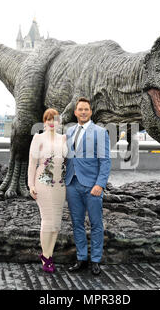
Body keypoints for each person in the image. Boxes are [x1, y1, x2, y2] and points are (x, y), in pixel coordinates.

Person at [65, 97, 111, 276]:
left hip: (92, 186)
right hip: (72, 184)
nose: (83, 112)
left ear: (90, 112)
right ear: (75, 112)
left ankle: (96, 260)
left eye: (86, 109)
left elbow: (105, 161)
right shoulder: (69, 132)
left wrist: (100, 184)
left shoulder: (100, 132)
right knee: (77, 223)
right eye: (80, 109)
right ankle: (81, 258)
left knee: (96, 223)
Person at [27, 108, 67, 273]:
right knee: (47, 221)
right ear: (44, 121)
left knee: (56, 223)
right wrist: (31, 185)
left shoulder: (64, 138)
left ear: (59, 122)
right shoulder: (38, 138)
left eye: (55, 119)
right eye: (48, 119)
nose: (52, 122)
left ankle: (48, 255)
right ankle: (46, 256)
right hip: (42, 183)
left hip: (60, 184)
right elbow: (32, 163)